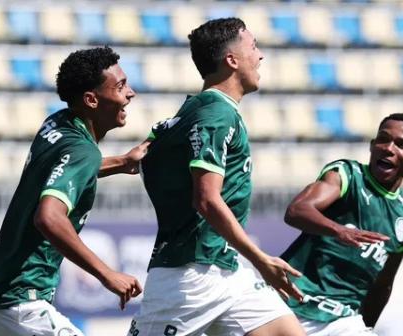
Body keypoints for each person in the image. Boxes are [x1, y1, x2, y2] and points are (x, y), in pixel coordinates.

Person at [127, 18, 306, 336]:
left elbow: (143, 156)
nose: (260, 55)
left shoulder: (190, 111)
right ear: (232, 60)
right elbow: (206, 199)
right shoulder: (215, 114)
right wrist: (262, 259)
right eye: (253, 46)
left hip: (226, 267)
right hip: (189, 276)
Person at [0, 46, 144, 336]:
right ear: (91, 100)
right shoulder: (83, 151)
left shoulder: (56, 123)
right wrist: (107, 274)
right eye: (121, 86)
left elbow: (63, 168)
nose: (130, 93)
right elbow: (48, 218)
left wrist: (122, 162)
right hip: (21, 302)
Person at [281, 113, 403, 335]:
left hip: (342, 320)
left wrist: (366, 328)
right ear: (372, 145)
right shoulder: (348, 174)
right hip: (292, 302)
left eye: (401, 145)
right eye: (383, 139)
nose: (388, 148)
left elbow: (383, 284)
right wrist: (338, 230)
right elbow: (296, 211)